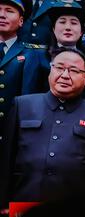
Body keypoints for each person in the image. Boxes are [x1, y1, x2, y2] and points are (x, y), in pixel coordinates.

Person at [0, 47, 85, 216]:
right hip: (22, 206)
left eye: (74, 70)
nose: (65, 75)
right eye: (59, 68)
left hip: (73, 210)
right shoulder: (22, 105)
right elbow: (6, 159)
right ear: (50, 70)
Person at [0, 0, 47, 146]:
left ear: (21, 21)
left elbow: (27, 96)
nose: (2, 15)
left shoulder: (29, 54)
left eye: (9, 11)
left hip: (9, 131)